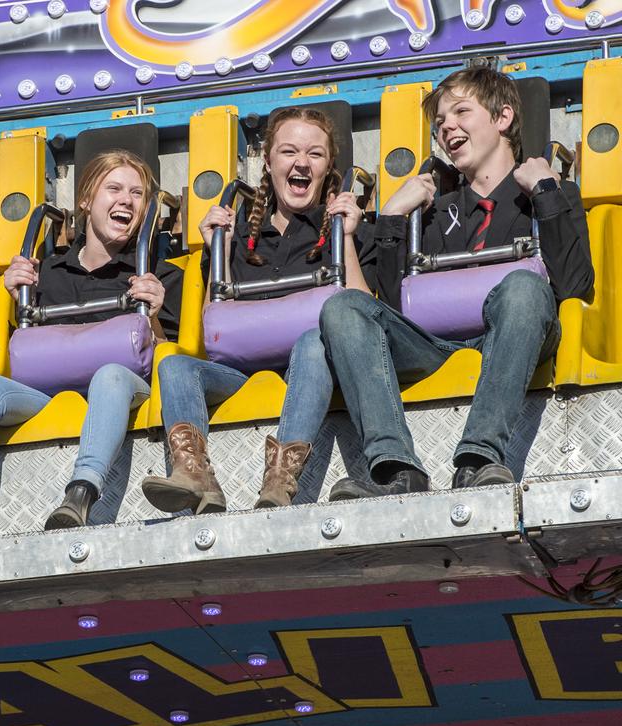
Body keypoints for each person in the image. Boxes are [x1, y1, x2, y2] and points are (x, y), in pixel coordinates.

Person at [320, 66, 593, 500]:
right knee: (342, 308)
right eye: (440, 123)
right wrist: (391, 218)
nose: (448, 128)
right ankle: (396, 468)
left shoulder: (551, 193)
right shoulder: (432, 214)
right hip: (437, 345)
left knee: (523, 286)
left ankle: (479, 459)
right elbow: (394, 308)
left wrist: (543, 192)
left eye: (461, 112)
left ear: (502, 118)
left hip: (517, 337)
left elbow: (576, 288)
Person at [0, 149, 182, 538]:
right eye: (113, 188)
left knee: (111, 376)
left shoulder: (158, 274)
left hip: (124, 391)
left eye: (137, 194)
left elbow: (171, 357)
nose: (126, 201)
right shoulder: (47, 274)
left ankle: (80, 495)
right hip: (50, 394)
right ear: (85, 199)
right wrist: (17, 301)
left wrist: (152, 315)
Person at [141, 107, 372, 515]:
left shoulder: (341, 228)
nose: (301, 163)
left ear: (328, 167)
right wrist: (221, 252)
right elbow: (214, 330)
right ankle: (196, 478)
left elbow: (363, 318)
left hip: (315, 368)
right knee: (175, 367)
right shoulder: (242, 235)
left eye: (314, 155)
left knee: (313, 343)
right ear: (269, 162)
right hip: (244, 372)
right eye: (289, 152)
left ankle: (280, 479)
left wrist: (347, 239)